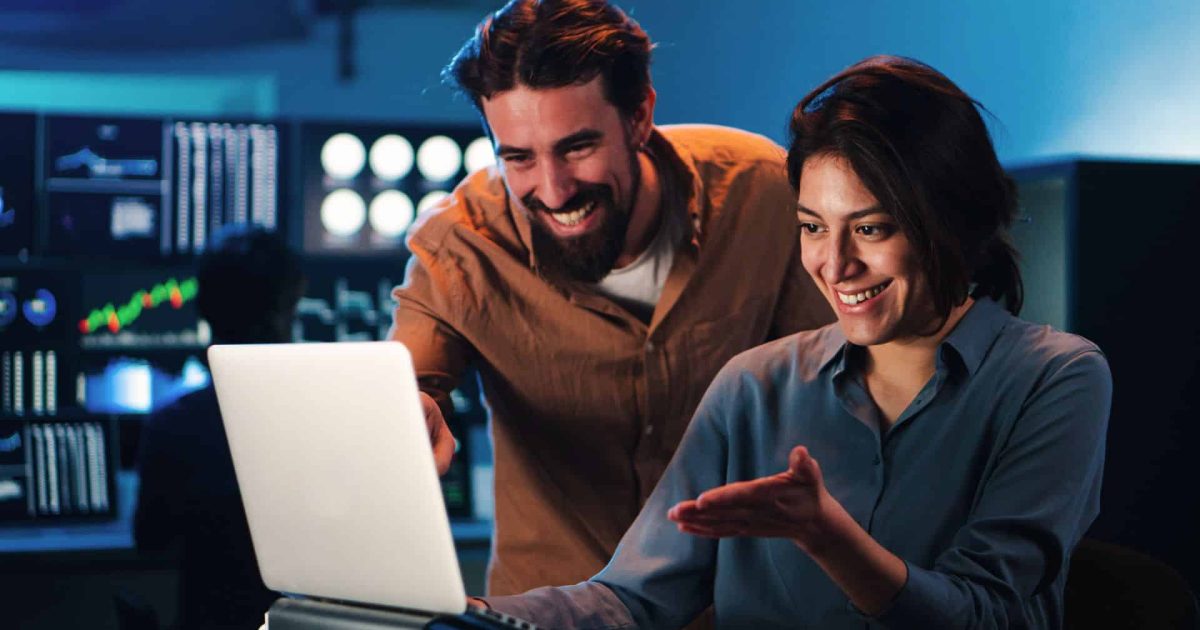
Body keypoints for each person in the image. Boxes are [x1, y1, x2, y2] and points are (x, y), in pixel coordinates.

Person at [477, 56, 1112, 629]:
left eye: (870, 228)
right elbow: (633, 599)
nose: (833, 264)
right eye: (812, 226)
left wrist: (826, 534)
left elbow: (989, 615)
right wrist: (464, 617)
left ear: (952, 220)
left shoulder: (1055, 377)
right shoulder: (753, 385)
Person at [389, 0, 833, 596]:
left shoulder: (763, 193)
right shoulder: (460, 245)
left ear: (640, 115)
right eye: (518, 157)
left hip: (741, 605)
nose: (552, 189)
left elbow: (846, 377)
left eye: (576, 147)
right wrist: (406, 414)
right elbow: (407, 384)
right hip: (552, 610)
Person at [134, 226, 305, 630]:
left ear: (206, 310)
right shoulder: (315, 424)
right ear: (284, 312)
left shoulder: (172, 425)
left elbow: (150, 541)